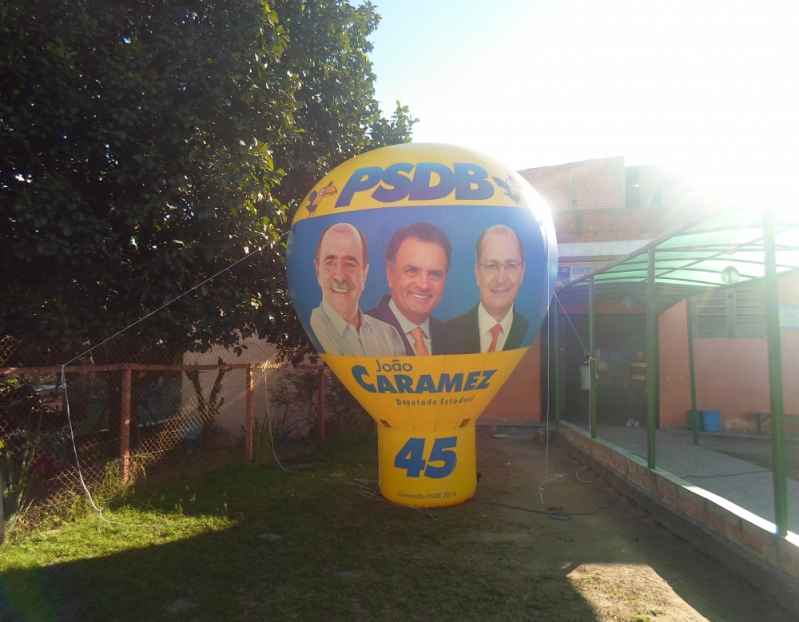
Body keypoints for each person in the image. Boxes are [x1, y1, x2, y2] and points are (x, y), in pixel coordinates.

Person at [366, 222, 465, 355]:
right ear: (390, 273)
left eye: (434, 274)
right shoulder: (360, 334)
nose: (424, 285)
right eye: (412, 271)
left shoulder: (454, 342)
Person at [310, 223, 405, 356]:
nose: (340, 277)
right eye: (330, 263)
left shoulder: (389, 335)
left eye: (350, 264)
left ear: (364, 274)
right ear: (318, 272)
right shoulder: (313, 326)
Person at [446, 224, 528, 353]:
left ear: (522, 272)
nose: (501, 279)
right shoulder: (448, 334)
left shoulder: (533, 331)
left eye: (511, 265)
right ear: (478, 273)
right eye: (491, 266)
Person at [625, 349, 647, 427]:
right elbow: (628, 374)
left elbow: (648, 376)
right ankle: (632, 419)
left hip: (642, 387)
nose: (639, 355)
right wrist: (626, 384)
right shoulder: (631, 363)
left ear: (643, 355)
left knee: (640, 405)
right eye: (638, 354)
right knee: (631, 403)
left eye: (641, 354)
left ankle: (638, 421)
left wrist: (647, 387)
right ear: (635, 354)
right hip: (632, 386)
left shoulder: (646, 364)